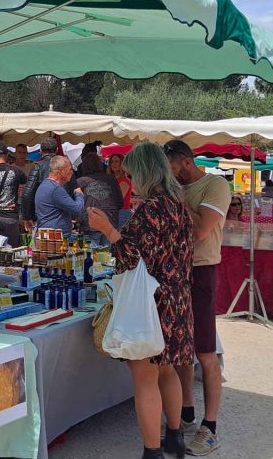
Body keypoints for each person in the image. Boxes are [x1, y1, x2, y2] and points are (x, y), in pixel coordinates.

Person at [87, 143, 194, 459]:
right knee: (167, 371)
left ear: (145, 172)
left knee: (146, 379)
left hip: (151, 303)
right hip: (176, 299)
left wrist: (107, 229)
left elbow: (132, 257)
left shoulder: (151, 208)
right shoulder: (178, 205)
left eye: (132, 174)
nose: (130, 180)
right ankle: (175, 437)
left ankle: (152, 451)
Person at [164, 139, 230, 457]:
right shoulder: (175, 187)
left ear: (186, 162)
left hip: (201, 271)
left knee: (205, 351)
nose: (168, 175)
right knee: (180, 349)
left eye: (171, 168)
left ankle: (211, 427)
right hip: (175, 273)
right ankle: (186, 412)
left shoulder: (215, 185)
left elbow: (201, 230)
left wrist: (175, 199)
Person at [0, 142, 27, 247]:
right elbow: (27, 186)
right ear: (7, 155)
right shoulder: (16, 171)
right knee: (13, 252)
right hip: (11, 218)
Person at [77, 152, 123, 247]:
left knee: (91, 256)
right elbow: (120, 202)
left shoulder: (80, 181)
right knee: (107, 257)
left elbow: (77, 205)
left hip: (91, 223)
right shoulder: (111, 179)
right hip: (110, 222)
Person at [34, 156, 84, 236]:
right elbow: (77, 209)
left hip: (49, 233)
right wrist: (79, 194)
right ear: (61, 171)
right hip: (55, 237)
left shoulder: (45, 185)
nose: (72, 172)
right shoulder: (55, 189)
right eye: (70, 169)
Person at [21, 137, 59, 229]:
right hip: (62, 216)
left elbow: (27, 194)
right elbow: (74, 191)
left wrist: (27, 217)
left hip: (42, 216)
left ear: (40, 151)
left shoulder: (37, 167)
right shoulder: (65, 166)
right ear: (57, 150)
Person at [108, 153, 134, 228]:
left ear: (122, 163)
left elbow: (117, 200)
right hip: (115, 213)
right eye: (112, 162)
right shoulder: (113, 179)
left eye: (117, 161)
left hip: (122, 213)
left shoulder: (124, 180)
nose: (114, 164)